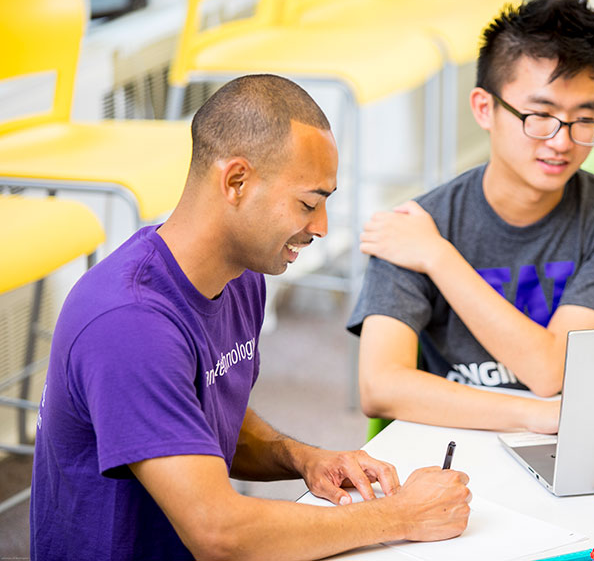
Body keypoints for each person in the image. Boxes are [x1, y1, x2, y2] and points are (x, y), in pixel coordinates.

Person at [30, 75, 471, 561]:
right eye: (308, 203)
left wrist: (302, 458)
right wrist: (402, 515)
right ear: (236, 181)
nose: (322, 227)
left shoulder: (241, 276)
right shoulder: (129, 322)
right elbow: (219, 534)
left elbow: (200, 421)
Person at [348, 0, 594, 434]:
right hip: (454, 444)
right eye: (540, 115)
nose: (562, 142)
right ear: (483, 108)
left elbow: (550, 372)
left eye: (585, 120)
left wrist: (438, 257)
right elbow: (379, 387)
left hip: (573, 442)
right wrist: (533, 415)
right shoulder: (413, 226)